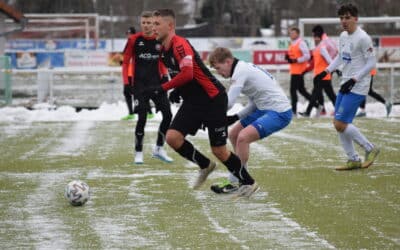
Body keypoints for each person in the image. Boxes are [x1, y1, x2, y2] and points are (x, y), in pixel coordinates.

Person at [147, 9, 258, 197]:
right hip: (193, 101)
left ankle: (249, 182)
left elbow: (188, 73)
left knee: (219, 150)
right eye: (152, 23)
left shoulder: (179, 44)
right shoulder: (162, 49)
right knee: (173, 138)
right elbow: (184, 75)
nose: (153, 27)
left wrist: (165, 88)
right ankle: (205, 165)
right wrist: (178, 89)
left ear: (170, 25)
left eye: (157, 24)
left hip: (212, 99)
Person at [208, 47, 292, 193]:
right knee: (234, 134)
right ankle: (239, 179)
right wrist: (235, 118)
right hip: (263, 109)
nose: (219, 73)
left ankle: (241, 181)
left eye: (218, 68)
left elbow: (229, 103)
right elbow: (254, 102)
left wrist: (210, 115)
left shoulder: (240, 71)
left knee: (243, 138)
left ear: (228, 62)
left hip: (279, 112)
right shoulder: (241, 68)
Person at [315, 3, 380, 170]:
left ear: (356, 19)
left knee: (340, 123)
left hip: (358, 85)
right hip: (346, 83)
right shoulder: (343, 36)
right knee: (339, 124)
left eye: (348, 17)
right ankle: (353, 159)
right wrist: (326, 71)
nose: (344, 21)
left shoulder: (363, 38)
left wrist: (354, 80)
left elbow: (372, 62)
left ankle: (370, 148)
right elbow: (340, 57)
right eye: (342, 18)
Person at [122, 11, 173, 164]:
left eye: (149, 23)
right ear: (141, 23)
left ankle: (159, 148)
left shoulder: (160, 40)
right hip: (140, 87)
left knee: (168, 116)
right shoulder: (133, 40)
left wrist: (165, 76)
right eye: (143, 23)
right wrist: (126, 83)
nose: (146, 26)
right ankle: (138, 152)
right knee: (142, 118)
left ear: (154, 24)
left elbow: (162, 61)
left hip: (157, 85)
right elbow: (125, 63)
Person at [299, 25, 336, 117]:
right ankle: (338, 110)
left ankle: (308, 112)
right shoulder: (317, 48)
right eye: (314, 37)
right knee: (330, 95)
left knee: (315, 94)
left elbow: (330, 61)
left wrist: (335, 70)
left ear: (319, 37)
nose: (314, 39)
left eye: (316, 37)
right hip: (319, 75)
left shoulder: (322, 47)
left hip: (323, 75)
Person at [285, 27, 311, 115]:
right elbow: (292, 56)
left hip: (299, 71)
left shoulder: (301, 43)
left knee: (293, 90)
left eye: (293, 33)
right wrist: (288, 58)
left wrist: (296, 60)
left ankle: (293, 110)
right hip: (294, 70)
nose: (291, 35)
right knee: (301, 90)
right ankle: (316, 103)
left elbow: (307, 56)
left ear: (297, 34)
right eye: (290, 33)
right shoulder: (292, 43)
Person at [121, 26, 137, 121]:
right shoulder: (130, 42)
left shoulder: (134, 42)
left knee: (133, 93)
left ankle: (148, 112)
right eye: (127, 33)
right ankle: (132, 113)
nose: (128, 35)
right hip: (129, 72)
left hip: (133, 73)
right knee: (129, 93)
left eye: (129, 33)